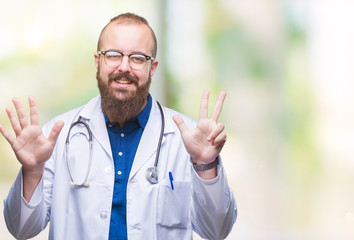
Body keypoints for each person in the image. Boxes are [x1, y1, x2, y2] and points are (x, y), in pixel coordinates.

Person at [0, 13, 237, 240]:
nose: (124, 67)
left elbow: (216, 231)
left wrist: (205, 165)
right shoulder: (59, 135)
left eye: (137, 58)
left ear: (152, 67)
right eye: (113, 55)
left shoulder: (186, 138)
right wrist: (32, 172)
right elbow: (21, 229)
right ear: (98, 61)